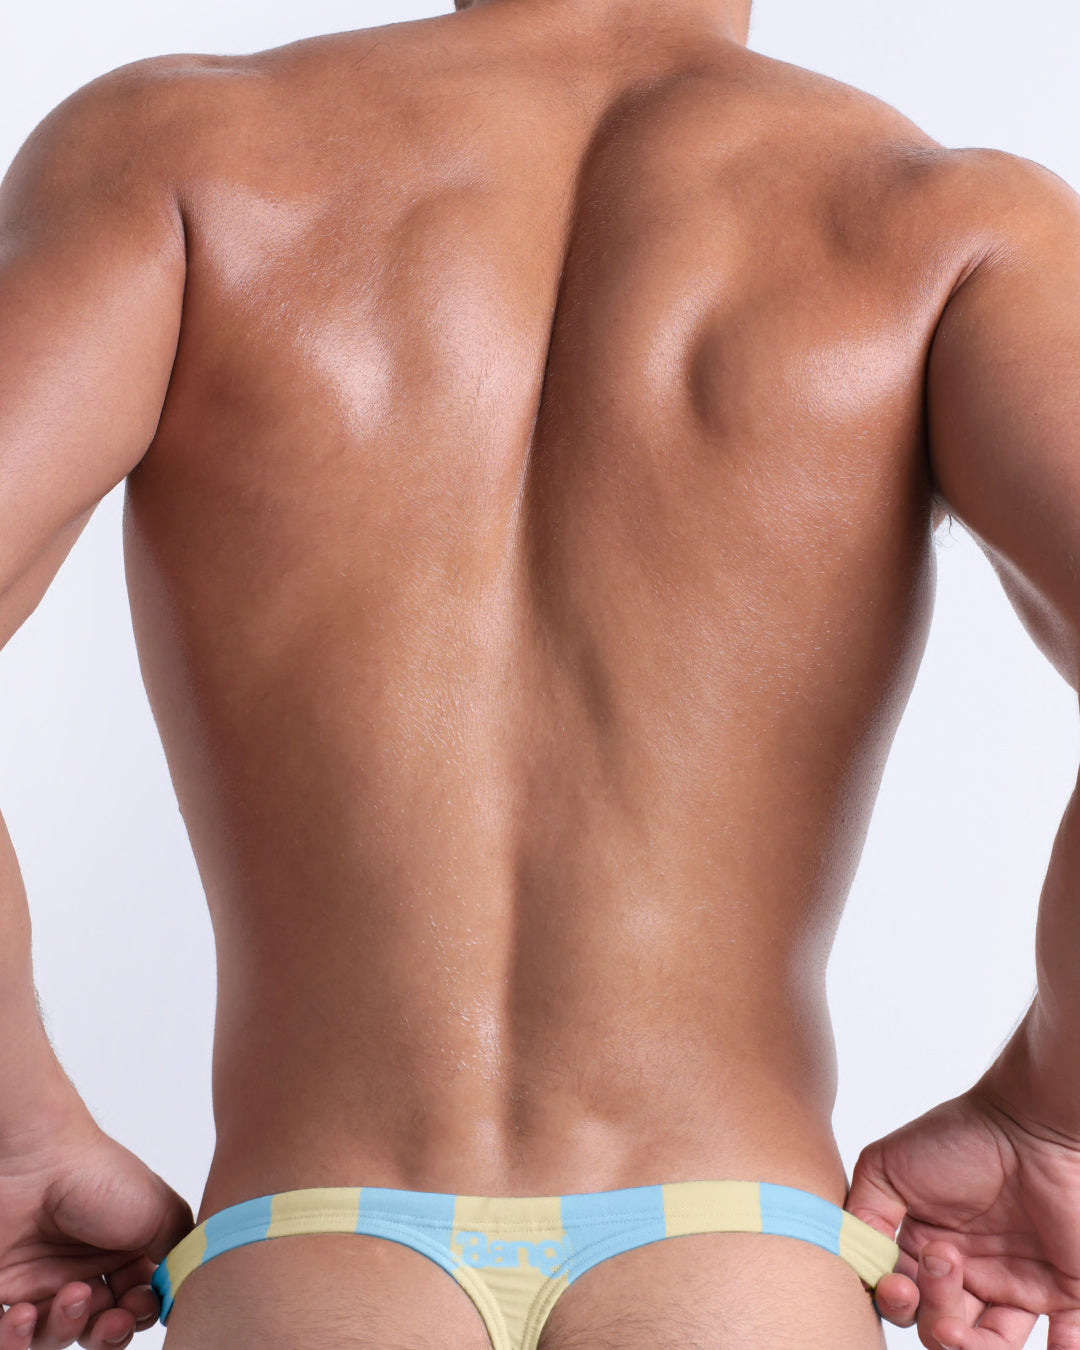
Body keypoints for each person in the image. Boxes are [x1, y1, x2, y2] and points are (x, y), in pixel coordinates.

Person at [1, 0, 1079, 1344]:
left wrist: (12, 1117)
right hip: (732, 1254)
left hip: (316, 1243)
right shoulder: (941, 225)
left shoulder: (172, 156)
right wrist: (1055, 1105)